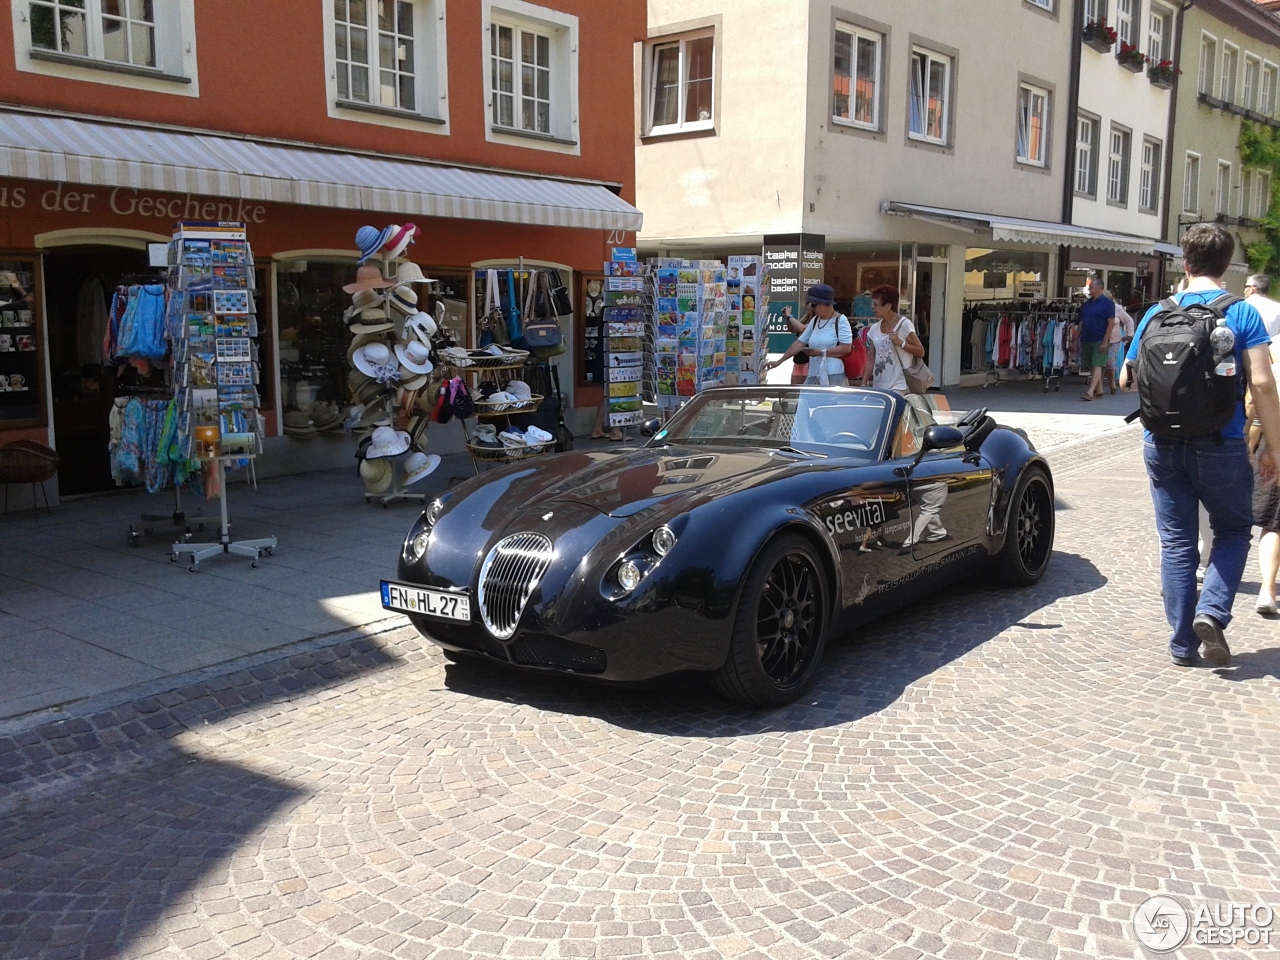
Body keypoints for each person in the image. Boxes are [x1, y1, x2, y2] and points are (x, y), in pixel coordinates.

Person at [1120, 222, 1280, 667]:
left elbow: (1125, 375)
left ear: (1184, 263)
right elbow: (1263, 385)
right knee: (1231, 531)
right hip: (1222, 441)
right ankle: (1211, 611)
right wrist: (1275, 449)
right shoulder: (1241, 313)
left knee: (1176, 543)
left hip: (1161, 442)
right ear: (1228, 265)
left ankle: (1181, 645)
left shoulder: (1157, 312)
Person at [761, 284, 852, 385]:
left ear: (824, 304)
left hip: (833, 373)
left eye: (813, 305)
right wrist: (779, 361)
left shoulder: (841, 321)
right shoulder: (815, 320)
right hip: (814, 372)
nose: (811, 308)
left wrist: (820, 352)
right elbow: (799, 343)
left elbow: (846, 348)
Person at [862, 285, 926, 394]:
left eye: (876, 304)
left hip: (899, 385)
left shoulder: (904, 325)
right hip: (879, 385)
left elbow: (920, 351)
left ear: (888, 306)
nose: (872, 307)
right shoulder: (874, 329)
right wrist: (864, 382)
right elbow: (870, 359)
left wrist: (901, 343)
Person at [1079, 276, 1116, 401]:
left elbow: (1111, 323)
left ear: (1099, 288)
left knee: (1097, 364)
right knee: (1091, 364)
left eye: (1091, 287)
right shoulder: (1087, 304)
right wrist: (1076, 337)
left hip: (1100, 338)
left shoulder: (1107, 304)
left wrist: (1105, 341)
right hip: (1087, 337)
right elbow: (1082, 321)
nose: (1089, 289)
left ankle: (1090, 392)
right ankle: (1099, 389)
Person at [1102, 292, 1135, 395]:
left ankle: (1111, 382)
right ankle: (1099, 385)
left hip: (1114, 339)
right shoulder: (1098, 308)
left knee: (1109, 361)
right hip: (1100, 338)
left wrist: (1129, 334)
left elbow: (1129, 320)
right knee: (1099, 362)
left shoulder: (1117, 309)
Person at [782, 304, 812, 384]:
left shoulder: (816, 321)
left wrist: (789, 315)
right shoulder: (806, 317)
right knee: (794, 390)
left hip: (808, 361)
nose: (807, 305)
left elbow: (801, 328)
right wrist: (787, 318)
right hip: (798, 360)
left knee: (805, 390)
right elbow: (793, 329)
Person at [1244, 273, 1280, 338]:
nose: (1244, 291)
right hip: (1270, 347)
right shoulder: (1278, 308)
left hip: (1247, 347)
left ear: (1252, 289)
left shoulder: (1241, 306)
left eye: (1246, 286)